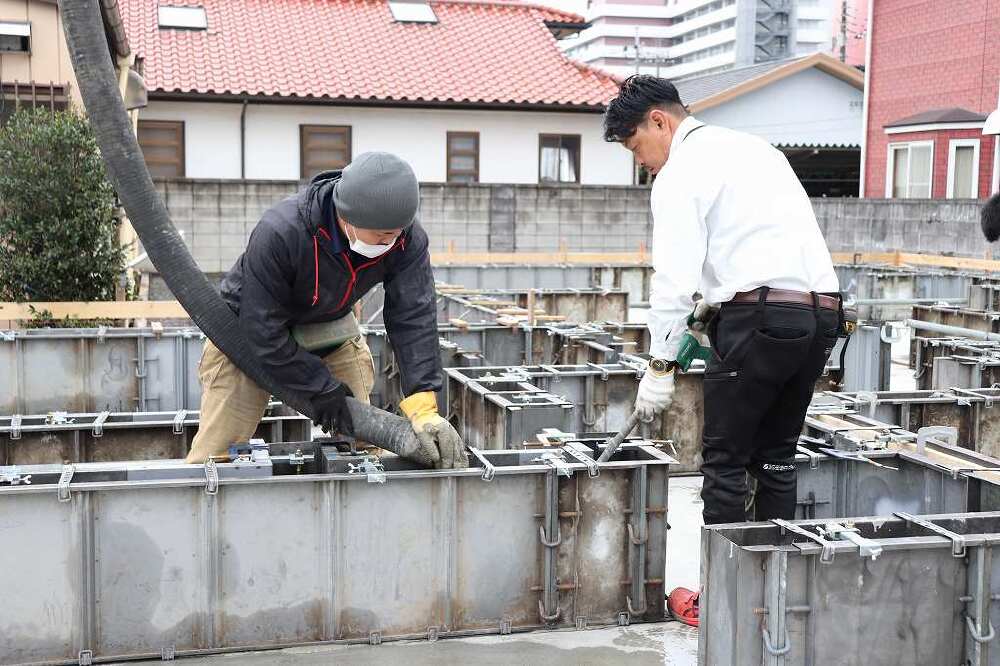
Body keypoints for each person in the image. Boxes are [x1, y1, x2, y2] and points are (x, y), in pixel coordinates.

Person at [603, 76, 843, 625]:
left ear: (659, 122)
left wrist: (661, 363)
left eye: (637, 147)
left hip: (759, 318)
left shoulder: (680, 172)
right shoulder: (755, 149)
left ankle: (725, 603)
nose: (644, 165)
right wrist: (712, 307)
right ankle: (777, 595)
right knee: (776, 456)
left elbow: (671, 278)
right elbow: (757, 244)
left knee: (726, 463)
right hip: (821, 313)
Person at [185, 151, 467, 469]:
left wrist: (423, 406)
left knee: (365, 449)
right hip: (245, 332)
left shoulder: (404, 237)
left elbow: (413, 315)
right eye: (381, 235)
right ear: (346, 217)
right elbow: (262, 328)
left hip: (328, 324)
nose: (391, 240)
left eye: (397, 232)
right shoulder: (282, 232)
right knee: (217, 455)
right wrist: (319, 387)